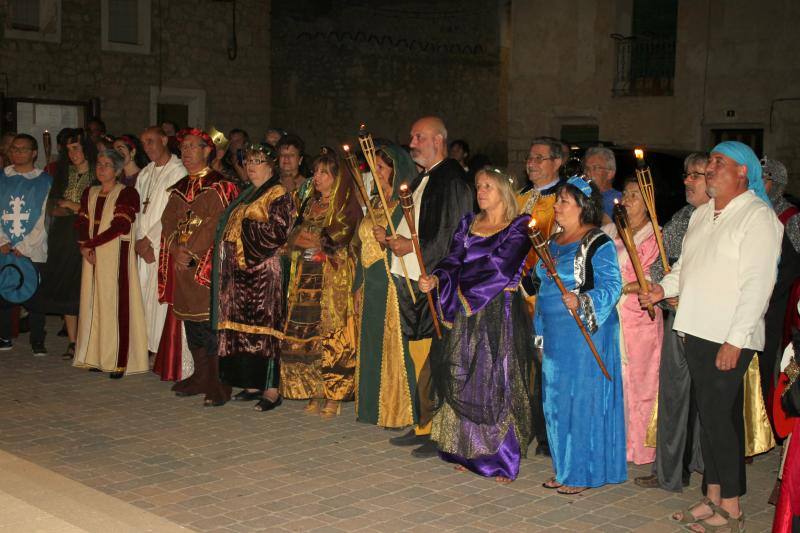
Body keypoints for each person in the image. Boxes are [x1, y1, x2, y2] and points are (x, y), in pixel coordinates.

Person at [640, 141, 782, 531]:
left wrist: (735, 341)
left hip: (727, 336)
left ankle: (732, 508)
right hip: (695, 330)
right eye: (710, 162)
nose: (710, 169)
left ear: (743, 172)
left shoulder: (757, 218)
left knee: (720, 421)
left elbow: (758, 286)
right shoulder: (704, 215)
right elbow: (686, 268)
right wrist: (662, 290)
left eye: (719, 162)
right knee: (713, 418)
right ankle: (713, 497)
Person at [418, 167, 533, 482]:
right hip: (468, 309)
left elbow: (498, 268)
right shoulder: (469, 223)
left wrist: (460, 294)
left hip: (498, 309)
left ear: (503, 192)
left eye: (488, 187)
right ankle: (469, 451)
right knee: (469, 378)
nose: (481, 191)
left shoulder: (518, 227)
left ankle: (502, 460)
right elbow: (453, 259)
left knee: (497, 378)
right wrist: (437, 278)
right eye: (479, 186)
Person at [384, 116, 474, 457]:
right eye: (411, 135)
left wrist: (414, 248)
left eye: (418, 136)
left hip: (438, 280)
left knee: (438, 356)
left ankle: (440, 429)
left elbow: (454, 233)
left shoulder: (451, 178)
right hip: (416, 278)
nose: (412, 142)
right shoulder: (425, 177)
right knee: (420, 352)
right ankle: (424, 422)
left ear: (438, 139)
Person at [536, 176, 626, 494]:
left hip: (585, 332)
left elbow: (612, 285)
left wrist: (583, 300)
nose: (556, 206)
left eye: (563, 201)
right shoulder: (552, 241)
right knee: (556, 402)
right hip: (557, 335)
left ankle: (582, 472)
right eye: (557, 200)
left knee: (581, 401)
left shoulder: (597, 242)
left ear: (582, 207)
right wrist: (539, 332)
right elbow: (545, 289)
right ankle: (564, 468)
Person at [634, 152, 709, 491]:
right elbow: (657, 266)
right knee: (675, 397)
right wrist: (664, 289)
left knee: (707, 403)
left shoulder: (723, 218)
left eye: (696, 174)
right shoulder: (683, 217)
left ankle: (708, 469)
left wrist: (687, 292)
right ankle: (671, 471)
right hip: (677, 316)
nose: (687, 181)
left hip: (709, 323)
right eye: (686, 174)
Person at [212, 143, 294, 412]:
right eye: (248, 161)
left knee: (265, 331)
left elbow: (277, 233)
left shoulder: (278, 192)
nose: (251, 166)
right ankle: (251, 383)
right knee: (241, 328)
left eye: (257, 161)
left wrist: (244, 225)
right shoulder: (248, 193)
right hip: (239, 274)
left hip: (263, 274)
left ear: (271, 165)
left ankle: (271, 389)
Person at [159, 128, 239, 406]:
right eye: (183, 148)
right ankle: (201, 375)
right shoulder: (179, 188)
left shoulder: (221, 185)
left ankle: (219, 382)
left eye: (193, 147)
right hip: (183, 266)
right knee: (192, 323)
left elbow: (218, 223)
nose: (186, 152)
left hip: (207, 267)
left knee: (211, 325)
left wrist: (191, 251)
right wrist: (174, 248)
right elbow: (168, 221)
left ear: (207, 151)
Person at [280, 148, 362, 418]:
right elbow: (296, 236)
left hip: (331, 279)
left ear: (336, 178)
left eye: (324, 173)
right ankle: (315, 389)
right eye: (315, 171)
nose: (317, 177)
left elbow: (339, 237)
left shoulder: (344, 206)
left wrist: (315, 238)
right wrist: (301, 240)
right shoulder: (310, 203)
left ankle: (335, 395)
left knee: (332, 336)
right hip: (306, 276)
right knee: (310, 335)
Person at [354, 143, 418, 428]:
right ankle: (371, 407)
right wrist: (357, 284)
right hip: (371, 283)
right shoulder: (375, 202)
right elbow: (362, 245)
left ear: (396, 170)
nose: (376, 172)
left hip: (392, 284)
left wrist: (389, 238)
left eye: (381, 167)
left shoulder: (406, 204)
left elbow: (411, 244)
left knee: (395, 347)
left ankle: (398, 411)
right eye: (374, 167)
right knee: (370, 344)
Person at [603, 176, 663, 465]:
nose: (626, 200)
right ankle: (614, 441)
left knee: (640, 382)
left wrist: (621, 289)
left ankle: (641, 446)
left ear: (649, 204)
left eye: (635, 196)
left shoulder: (655, 236)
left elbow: (651, 278)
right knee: (614, 378)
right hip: (611, 314)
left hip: (640, 317)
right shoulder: (610, 230)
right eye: (625, 194)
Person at [73, 150, 147, 377]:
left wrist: (91, 244)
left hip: (115, 256)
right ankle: (95, 356)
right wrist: (83, 245)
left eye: (107, 165)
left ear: (117, 171)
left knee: (115, 305)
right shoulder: (90, 192)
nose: (101, 168)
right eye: (99, 164)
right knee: (92, 302)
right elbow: (81, 221)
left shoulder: (127, 193)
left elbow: (121, 226)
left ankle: (119, 360)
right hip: (92, 254)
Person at [515, 136, 564, 458]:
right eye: (529, 158)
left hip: (544, 296)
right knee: (519, 362)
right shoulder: (519, 198)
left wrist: (536, 279)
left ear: (557, 162)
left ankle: (549, 433)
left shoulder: (564, 199)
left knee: (545, 363)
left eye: (539, 158)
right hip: (513, 293)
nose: (531, 163)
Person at [37, 129, 97, 360]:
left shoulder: (98, 172)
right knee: (67, 287)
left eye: (77, 148)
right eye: (69, 149)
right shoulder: (63, 172)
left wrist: (72, 206)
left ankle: (90, 338)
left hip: (90, 235)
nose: (73, 153)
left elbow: (98, 208)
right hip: (63, 236)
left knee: (88, 287)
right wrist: (71, 207)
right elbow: (53, 206)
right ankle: (73, 341)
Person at [134, 126, 186, 372]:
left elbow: (172, 212)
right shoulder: (144, 173)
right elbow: (137, 209)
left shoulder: (178, 172)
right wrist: (137, 238)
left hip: (162, 244)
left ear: (164, 140)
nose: (148, 147)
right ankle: (143, 345)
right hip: (142, 244)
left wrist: (150, 240)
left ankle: (158, 348)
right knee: (142, 295)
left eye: (152, 141)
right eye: (144, 143)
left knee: (158, 298)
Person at [0, 134, 53, 355]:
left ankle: (37, 339)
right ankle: (3, 336)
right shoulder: (2, 178)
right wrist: (2, 240)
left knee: (36, 295)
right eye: (14, 148)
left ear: (34, 153)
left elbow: (44, 217)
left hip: (33, 247)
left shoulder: (45, 181)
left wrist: (24, 245)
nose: (17, 152)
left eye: (23, 149)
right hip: (4, 246)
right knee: (3, 290)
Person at [761, 157, 800, 426]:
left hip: (781, 301)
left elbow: (794, 264)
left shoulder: (790, 217)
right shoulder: (755, 211)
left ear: (775, 184)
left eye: (762, 179)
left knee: (771, 361)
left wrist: (771, 292)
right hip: (759, 297)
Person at [583, 146, 621, 218]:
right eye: (587, 168)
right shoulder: (583, 196)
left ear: (610, 173)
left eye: (595, 168)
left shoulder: (618, 200)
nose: (588, 173)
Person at [276, 134, 309, 201]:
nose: (286, 158)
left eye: (291, 155)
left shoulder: (308, 186)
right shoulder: (271, 182)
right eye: (283, 154)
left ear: (300, 160)